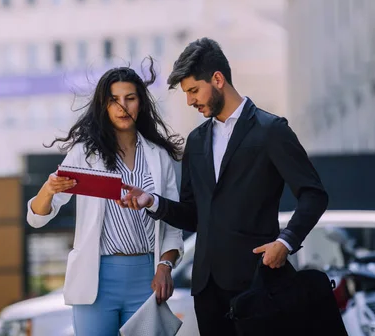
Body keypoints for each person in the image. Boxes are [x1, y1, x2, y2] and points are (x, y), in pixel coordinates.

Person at [117, 38, 329, 336]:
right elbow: (193, 215)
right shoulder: (196, 141)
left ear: (218, 79)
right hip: (207, 290)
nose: (190, 101)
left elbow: (314, 195)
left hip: (257, 283)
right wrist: (152, 201)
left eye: (193, 90)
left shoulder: (271, 131)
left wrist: (286, 242)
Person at [27, 63, 185, 336]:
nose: (122, 107)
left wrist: (165, 266)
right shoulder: (84, 154)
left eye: (130, 98)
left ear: (140, 103)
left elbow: (172, 222)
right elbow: (38, 218)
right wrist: (49, 190)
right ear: (104, 106)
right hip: (96, 280)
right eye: (114, 100)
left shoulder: (158, 156)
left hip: (147, 278)